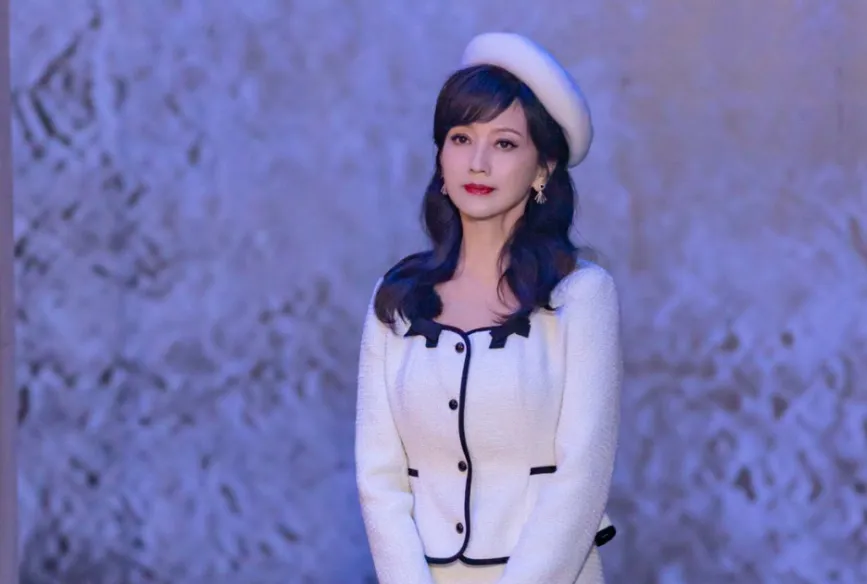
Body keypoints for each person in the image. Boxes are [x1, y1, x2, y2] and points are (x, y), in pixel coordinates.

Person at [354, 31, 622, 584]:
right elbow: (378, 477)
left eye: (504, 144)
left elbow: (582, 476)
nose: (477, 163)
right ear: (440, 156)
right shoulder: (397, 297)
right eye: (461, 138)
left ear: (543, 168)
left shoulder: (581, 296)